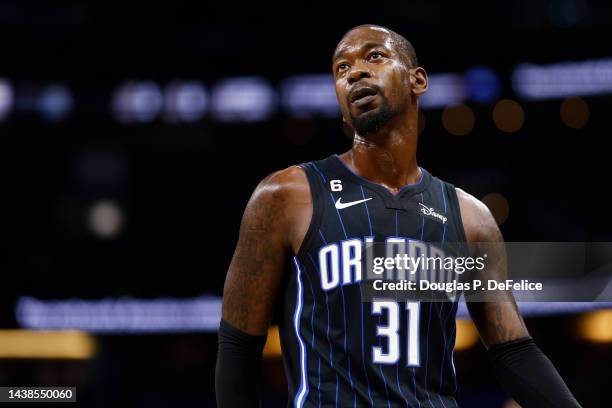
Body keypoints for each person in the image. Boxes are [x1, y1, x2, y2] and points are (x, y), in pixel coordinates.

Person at [216, 24, 581, 408]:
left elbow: (512, 351)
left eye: (374, 56)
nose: (354, 72)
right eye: (341, 68)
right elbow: (238, 347)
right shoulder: (286, 196)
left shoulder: (471, 218)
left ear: (417, 81)